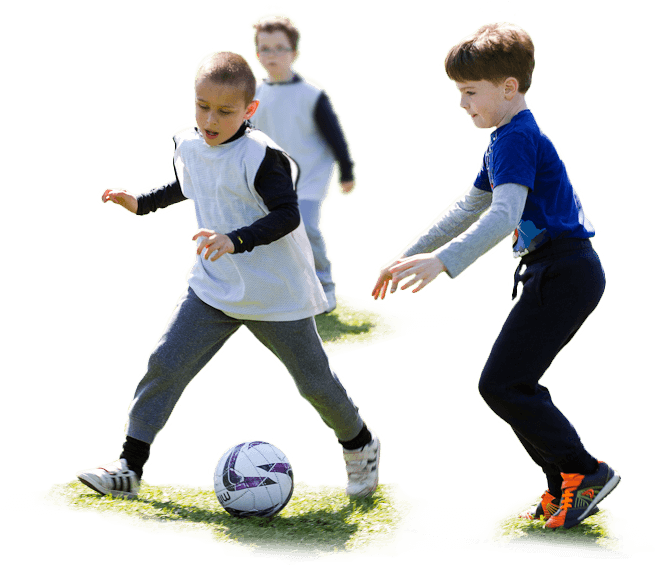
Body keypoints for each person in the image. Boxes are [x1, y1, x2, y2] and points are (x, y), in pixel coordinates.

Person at [76, 50, 379, 501]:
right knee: (165, 364)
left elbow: (288, 216)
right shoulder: (191, 144)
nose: (210, 119)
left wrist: (235, 239)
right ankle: (128, 467)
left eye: (225, 111)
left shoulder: (261, 156)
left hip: (277, 294)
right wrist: (140, 203)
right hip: (213, 288)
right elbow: (192, 183)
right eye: (202, 106)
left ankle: (360, 445)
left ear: (249, 110)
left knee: (315, 383)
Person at [371, 22, 619, 529]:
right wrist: (407, 255)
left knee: (503, 383)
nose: (463, 104)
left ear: (509, 88)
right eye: (458, 93)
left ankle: (584, 472)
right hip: (555, 271)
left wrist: (440, 264)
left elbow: (505, 216)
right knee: (510, 382)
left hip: (565, 269)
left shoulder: (516, 137)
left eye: (469, 93)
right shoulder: (507, 138)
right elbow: (468, 208)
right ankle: (564, 486)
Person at [248, 13, 358, 313]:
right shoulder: (253, 94)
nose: (272, 55)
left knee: (305, 227)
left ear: (295, 53)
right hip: (273, 181)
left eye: (279, 48)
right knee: (271, 234)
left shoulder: (312, 94)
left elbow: (335, 136)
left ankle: (325, 289)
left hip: (310, 177)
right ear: (257, 53)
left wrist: (346, 172)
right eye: (264, 48)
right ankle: (282, 290)